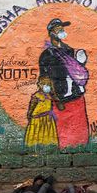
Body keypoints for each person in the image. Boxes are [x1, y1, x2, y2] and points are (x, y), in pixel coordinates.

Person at [39, 18, 89, 148]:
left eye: (62, 28)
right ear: (51, 33)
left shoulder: (70, 51)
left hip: (77, 98)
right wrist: (56, 99)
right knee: (64, 136)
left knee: (81, 136)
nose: (62, 31)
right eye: (58, 28)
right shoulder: (46, 55)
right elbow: (44, 81)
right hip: (61, 102)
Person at [24, 77, 59, 146]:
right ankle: (32, 146)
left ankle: (49, 146)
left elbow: (60, 107)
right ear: (39, 85)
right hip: (37, 119)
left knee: (48, 132)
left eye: (48, 84)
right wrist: (29, 115)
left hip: (48, 119)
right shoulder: (36, 96)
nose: (46, 86)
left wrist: (54, 95)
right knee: (35, 132)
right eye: (44, 84)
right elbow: (31, 107)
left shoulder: (50, 96)